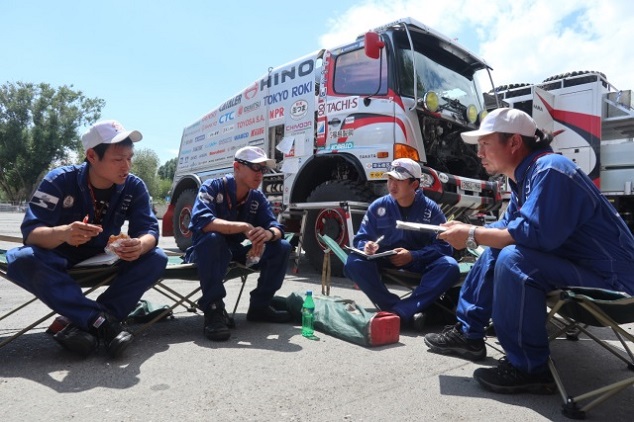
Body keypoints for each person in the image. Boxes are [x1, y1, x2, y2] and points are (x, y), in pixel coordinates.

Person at [423, 108, 634, 394]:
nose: (479, 153)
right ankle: (468, 333)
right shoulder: (525, 178)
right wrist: (467, 229)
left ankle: (529, 368)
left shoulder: (552, 170)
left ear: (514, 143)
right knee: (496, 249)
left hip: (614, 285)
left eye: (485, 144)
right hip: (583, 271)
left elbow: (532, 236)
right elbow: (505, 229)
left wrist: (472, 234)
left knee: (513, 258)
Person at [6, 120, 168, 358]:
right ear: (92, 156)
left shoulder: (134, 187)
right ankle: (101, 322)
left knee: (155, 257)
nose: (126, 166)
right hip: (58, 256)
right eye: (117, 159)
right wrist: (63, 233)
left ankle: (86, 322)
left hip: (103, 257)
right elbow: (31, 234)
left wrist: (140, 245)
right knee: (22, 259)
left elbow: (149, 230)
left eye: (129, 158)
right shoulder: (59, 181)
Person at [184, 146, 292, 341]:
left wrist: (266, 235)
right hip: (204, 252)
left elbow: (278, 229)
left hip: (233, 252)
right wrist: (243, 227)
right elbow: (203, 222)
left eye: (263, 169)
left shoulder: (256, 197)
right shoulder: (212, 187)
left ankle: (260, 306)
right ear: (237, 167)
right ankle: (214, 309)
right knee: (213, 239)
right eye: (255, 168)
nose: (260, 174)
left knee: (281, 247)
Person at [343, 158, 460, 331]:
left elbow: (444, 247)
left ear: (414, 184)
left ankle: (401, 312)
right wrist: (367, 246)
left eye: (399, 180)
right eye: (390, 179)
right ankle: (395, 308)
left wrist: (413, 256)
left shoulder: (431, 210)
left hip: (420, 261)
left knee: (449, 266)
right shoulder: (378, 206)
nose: (392, 185)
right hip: (385, 258)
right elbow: (361, 238)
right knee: (353, 262)